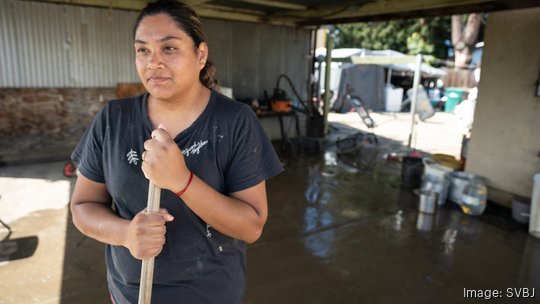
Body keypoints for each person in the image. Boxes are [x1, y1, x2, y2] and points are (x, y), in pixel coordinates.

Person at [69, 1, 283, 303]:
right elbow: (82, 207)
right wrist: (126, 234)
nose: (152, 62)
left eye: (169, 48)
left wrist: (182, 180)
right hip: (128, 295)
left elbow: (251, 226)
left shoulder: (234, 121)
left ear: (200, 55)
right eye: (142, 50)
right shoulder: (113, 119)